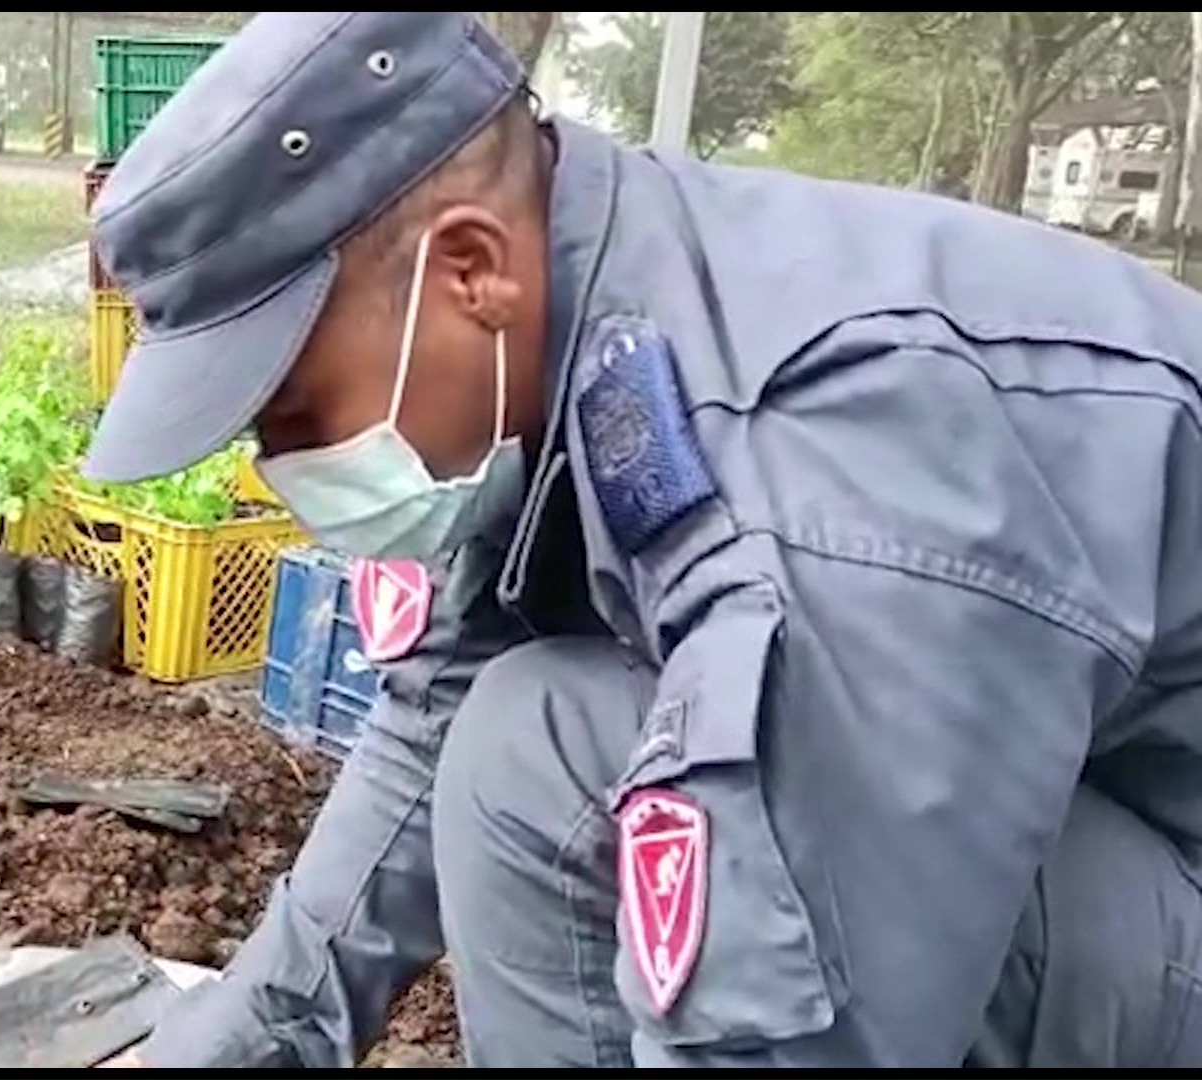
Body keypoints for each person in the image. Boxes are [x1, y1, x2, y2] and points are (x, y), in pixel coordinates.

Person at [81, 10, 1202, 1070]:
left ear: (469, 270)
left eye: (291, 411)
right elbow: (430, 726)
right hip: (1097, 840)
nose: (270, 467)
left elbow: (809, 1033)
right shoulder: (577, 328)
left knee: (599, 794)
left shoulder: (818, 467)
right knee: (521, 738)